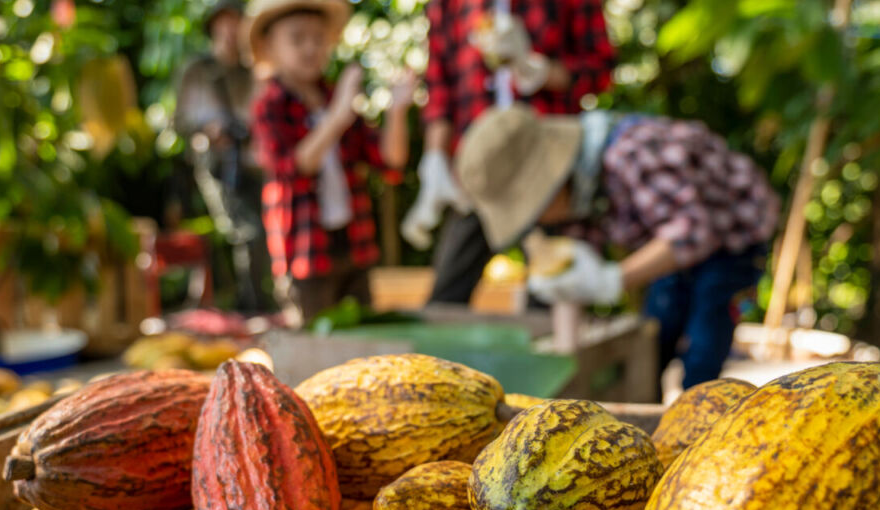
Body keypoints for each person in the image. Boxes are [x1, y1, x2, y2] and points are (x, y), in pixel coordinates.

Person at [453, 105, 780, 389]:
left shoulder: (630, 153)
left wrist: (612, 279)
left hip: (731, 240)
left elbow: (691, 230)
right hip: (673, 249)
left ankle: (700, 428)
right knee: (657, 336)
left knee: (703, 350)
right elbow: (582, 258)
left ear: (549, 184)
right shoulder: (581, 191)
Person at [402, 0, 615, 305]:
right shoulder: (447, 4)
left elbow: (601, 71)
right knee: (445, 299)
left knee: (555, 297)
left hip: (549, 167)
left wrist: (537, 68)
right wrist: (434, 159)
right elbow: (439, 88)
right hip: (482, 173)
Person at [247, 0, 413, 324]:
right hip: (306, 256)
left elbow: (390, 163)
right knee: (313, 350)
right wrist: (337, 116)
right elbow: (293, 169)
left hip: (354, 247)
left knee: (363, 350)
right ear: (271, 47)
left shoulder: (336, 97)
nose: (310, 48)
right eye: (297, 39)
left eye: (317, 38)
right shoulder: (270, 106)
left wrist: (397, 111)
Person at [173, 0, 270, 310]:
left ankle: (263, 302)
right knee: (246, 232)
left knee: (269, 231)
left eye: (236, 20)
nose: (230, 29)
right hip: (218, 163)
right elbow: (180, 122)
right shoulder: (198, 71)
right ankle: (252, 306)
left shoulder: (253, 69)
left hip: (254, 162)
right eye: (224, 21)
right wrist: (209, 129)